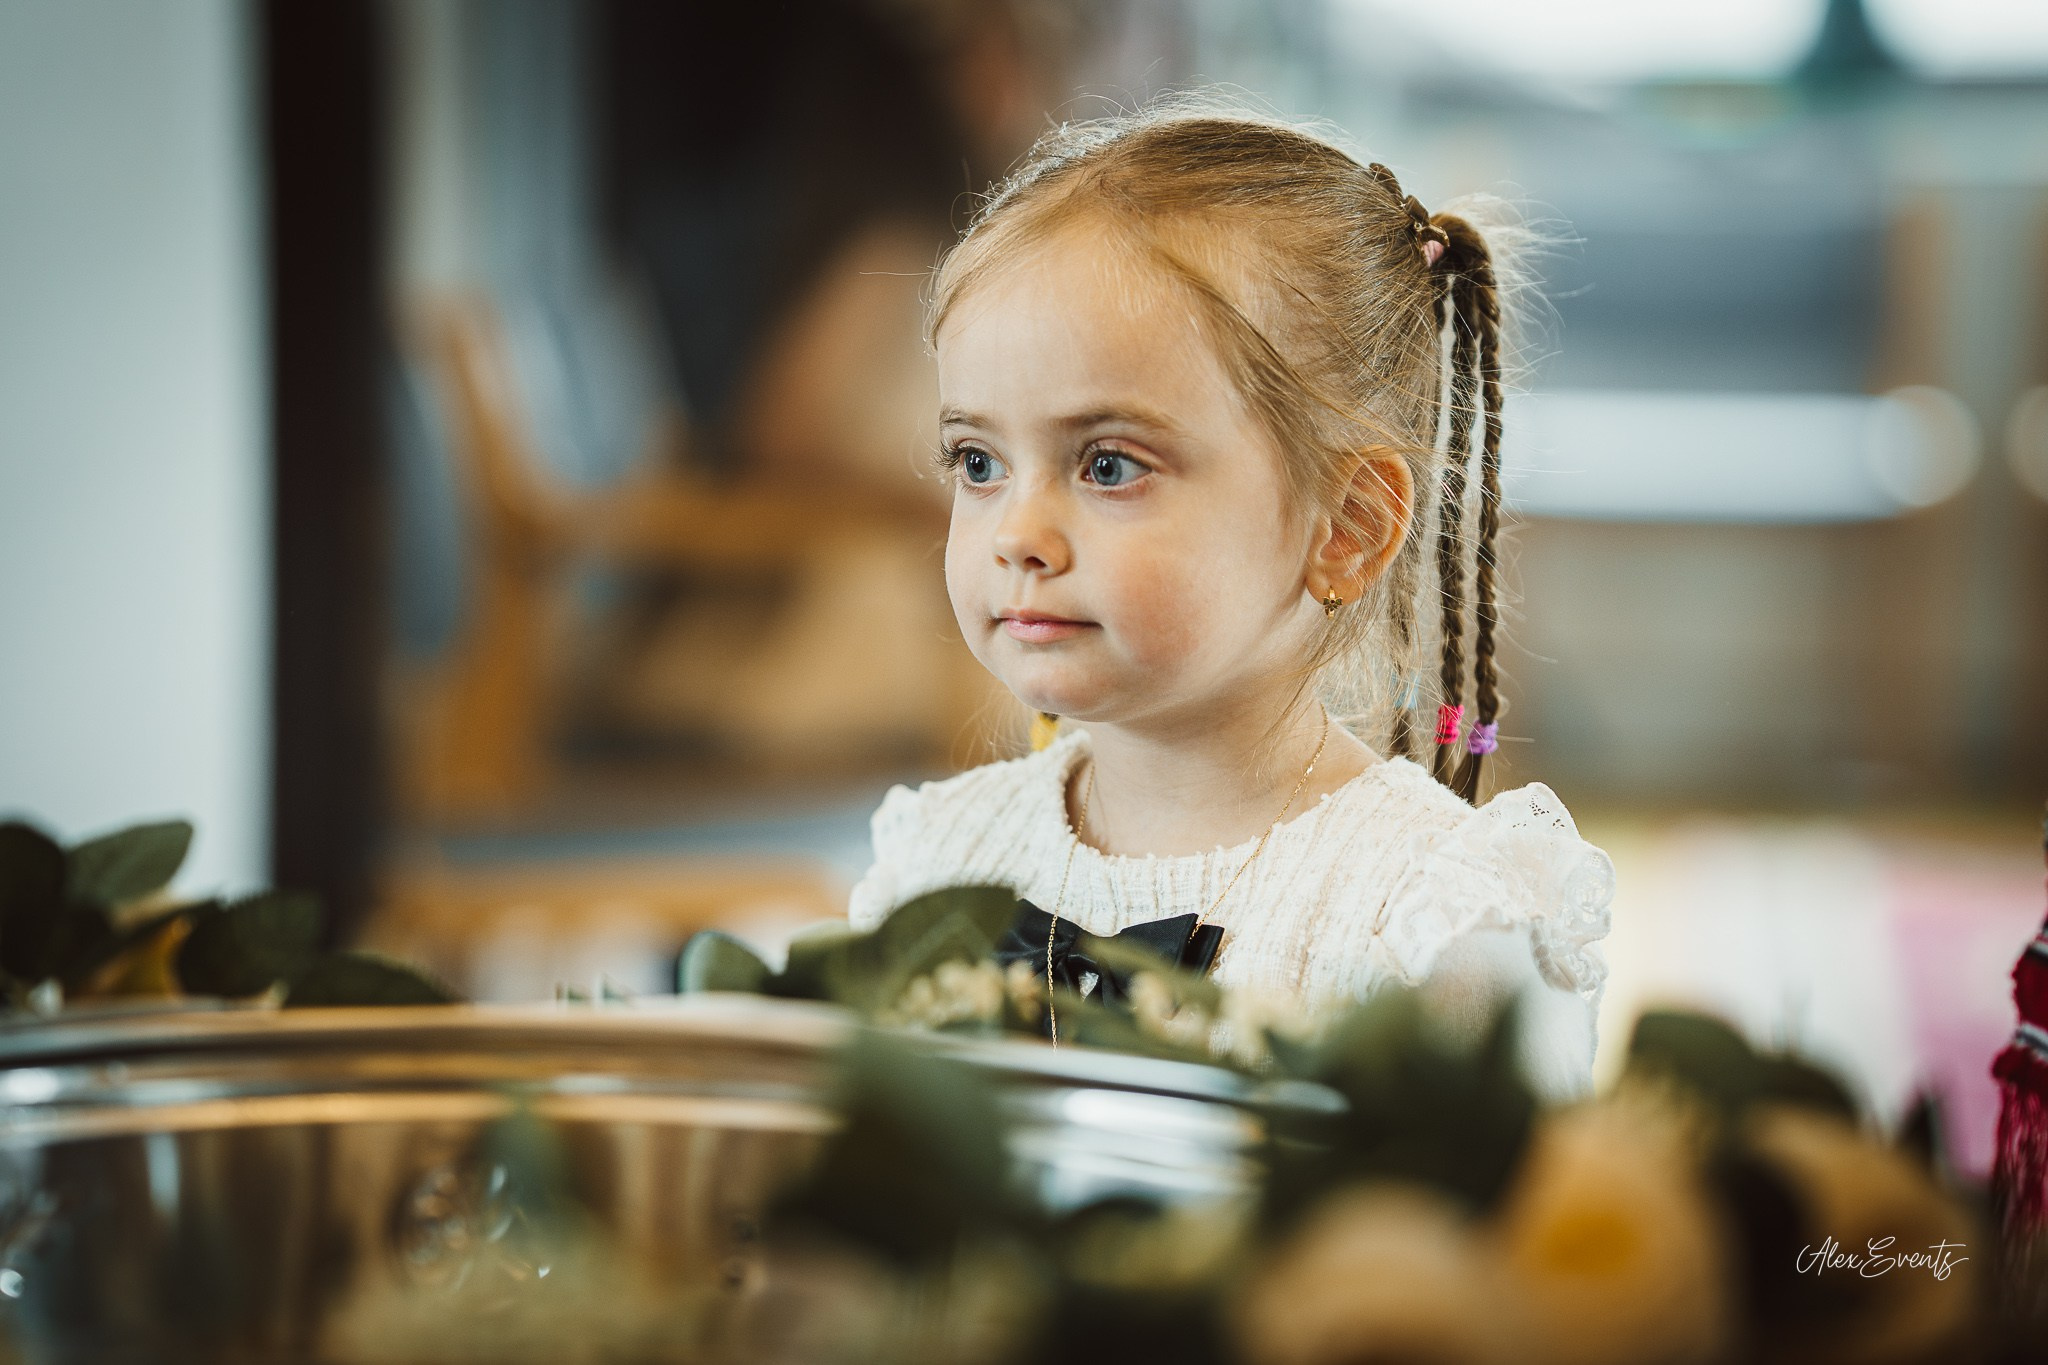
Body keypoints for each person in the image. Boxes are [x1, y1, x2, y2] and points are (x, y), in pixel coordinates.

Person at [845, 103, 1613, 1099]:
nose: (1015, 534)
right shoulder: (938, 863)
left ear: (1344, 527)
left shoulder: (1428, 917)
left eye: (1108, 464)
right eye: (977, 461)